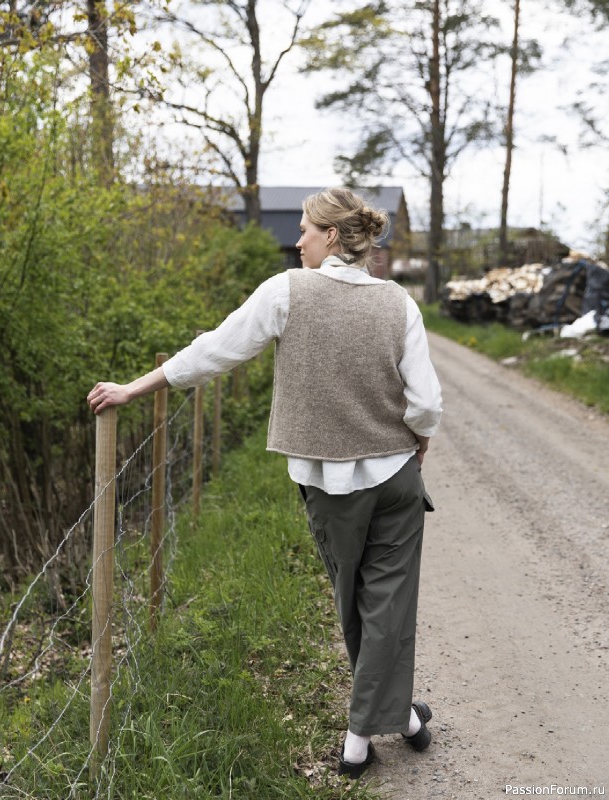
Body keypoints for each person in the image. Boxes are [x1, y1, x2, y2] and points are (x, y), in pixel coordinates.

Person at [87, 187, 443, 779]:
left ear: (332, 235)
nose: (297, 239)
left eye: (305, 228)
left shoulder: (286, 291)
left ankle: (359, 739)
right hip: (396, 474)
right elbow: (426, 403)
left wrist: (133, 388)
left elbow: (214, 353)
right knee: (388, 601)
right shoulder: (399, 303)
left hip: (330, 486)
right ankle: (398, 715)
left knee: (353, 597)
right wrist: (421, 436)